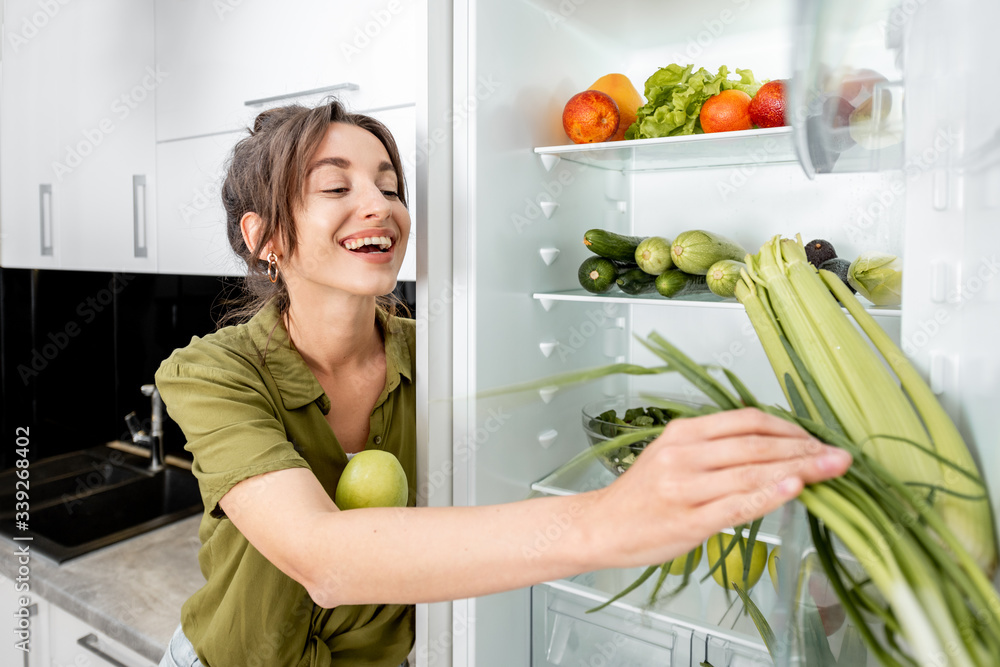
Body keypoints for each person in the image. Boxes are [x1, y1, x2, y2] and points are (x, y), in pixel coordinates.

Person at [154, 100, 852, 667]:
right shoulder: (214, 372)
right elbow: (323, 559)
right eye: (337, 187)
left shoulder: (446, 357)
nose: (382, 207)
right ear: (265, 237)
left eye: (391, 187)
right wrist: (608, 520)